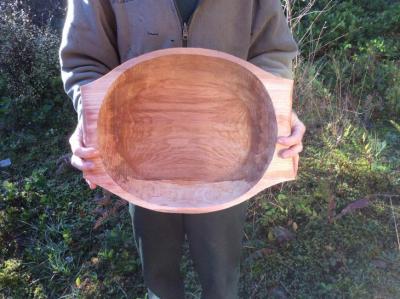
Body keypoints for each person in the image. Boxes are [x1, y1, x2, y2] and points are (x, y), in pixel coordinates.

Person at [59, 1, 306, 298]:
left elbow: (273, 51)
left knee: (221, 280)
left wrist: (277, 111)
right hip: (141, 161)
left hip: (228, 161)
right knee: (159, 280)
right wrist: (90, 117)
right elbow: (85, 60)